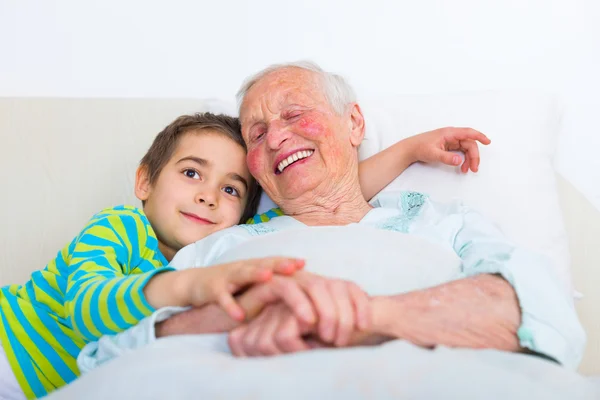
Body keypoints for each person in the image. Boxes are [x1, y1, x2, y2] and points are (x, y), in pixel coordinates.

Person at [78, 61, 584, 380]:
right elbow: (109, 355)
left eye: (295, 115)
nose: (275, 139)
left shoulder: (444, 225)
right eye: (256, 134)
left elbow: (542, 315)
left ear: (354, 125)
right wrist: (246, 309)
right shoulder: (219, 248)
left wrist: (358, 317)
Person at [0, 108, 487, 398]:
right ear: (145, 181)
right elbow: (88, 308)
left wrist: (407, 152)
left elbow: (327, 197)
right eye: (191, 173)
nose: (210, 197)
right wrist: (188, 286)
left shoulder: (225, 243)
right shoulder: (121, 228)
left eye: (231, 190)